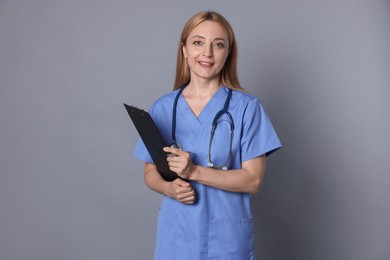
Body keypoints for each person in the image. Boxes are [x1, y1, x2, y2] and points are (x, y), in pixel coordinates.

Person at [134, 10, 281, 260]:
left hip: (225, 240)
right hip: (176, 237)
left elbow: (253, 181)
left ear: (228, 53)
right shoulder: (163, 108)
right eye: (198, 42)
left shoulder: (247, 108)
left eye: (218, 45)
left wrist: (194, 172)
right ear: (184, 50)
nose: (207, 53)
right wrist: (168, 188)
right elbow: (150, 173)